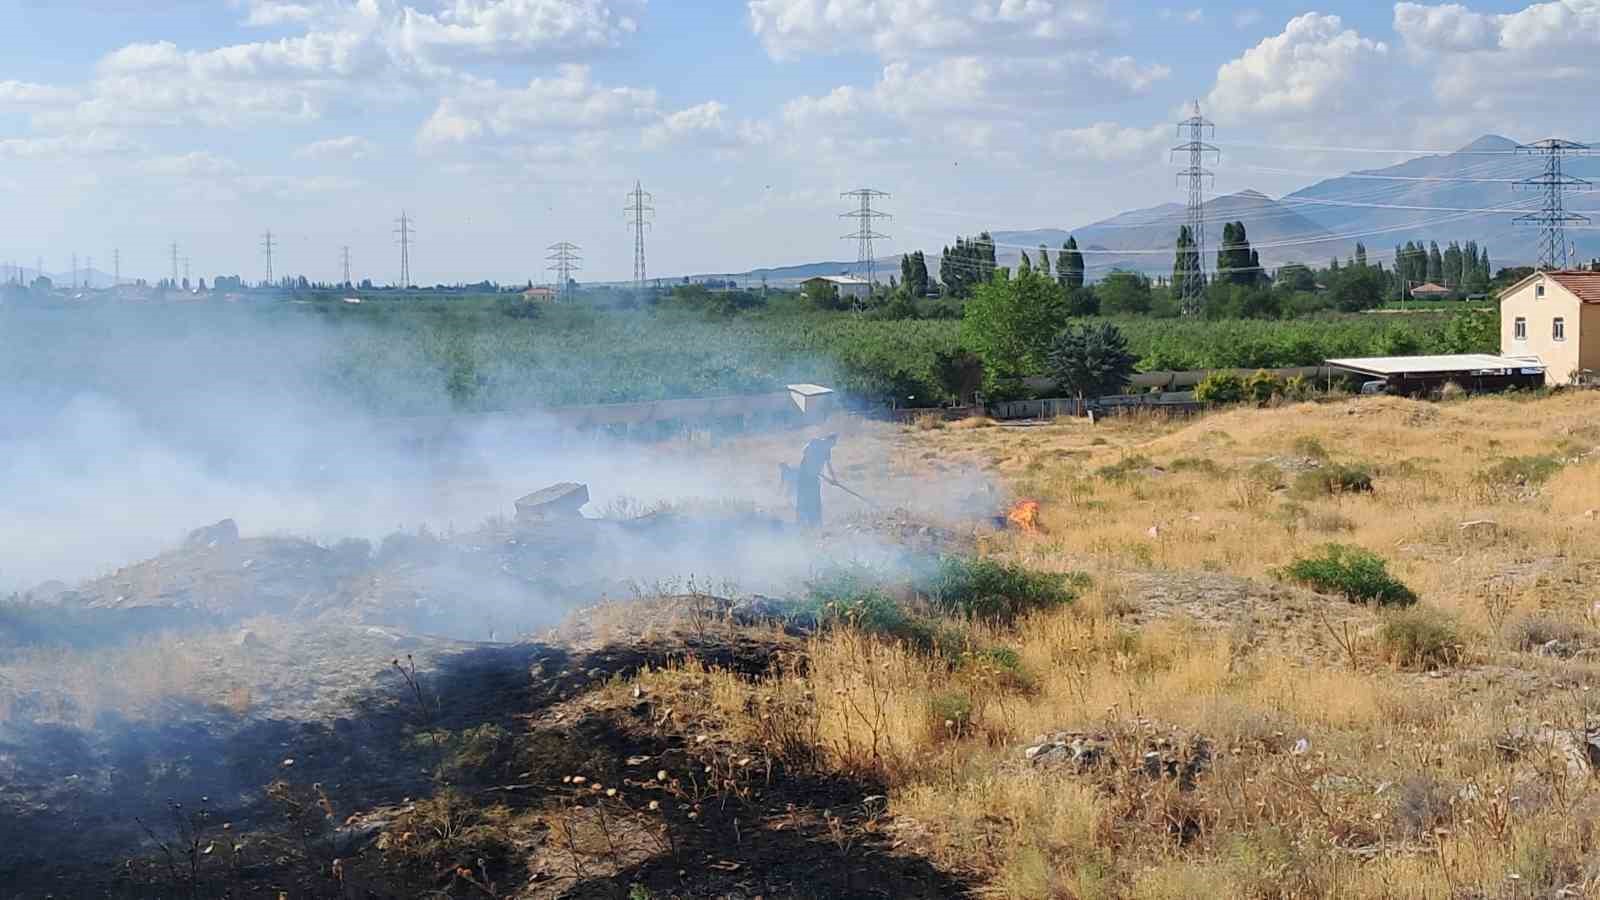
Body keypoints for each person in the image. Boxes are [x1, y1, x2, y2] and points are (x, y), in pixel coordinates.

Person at [793, 433, 838, 527]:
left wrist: (834, 479)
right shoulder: (815, 442)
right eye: (834, 442)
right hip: (804, 476)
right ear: (829, 440)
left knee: (815, 500)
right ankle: (800, 522)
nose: (834, 445)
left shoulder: (827, 451)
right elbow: (805, 452)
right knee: (803, 498)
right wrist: (812, 467)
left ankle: (816, 523)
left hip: (814, 477)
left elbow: (829, 466)